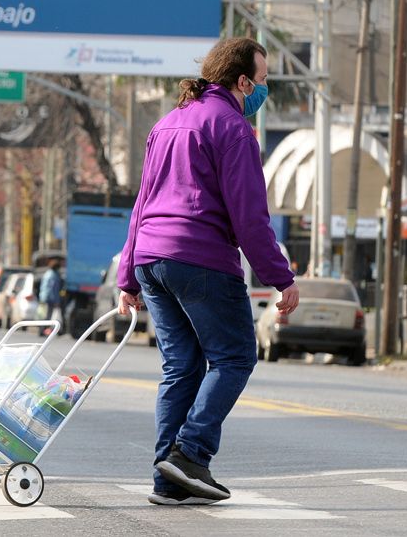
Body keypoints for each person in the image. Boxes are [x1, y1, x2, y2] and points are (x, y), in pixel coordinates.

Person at [116, 37, 300, 506]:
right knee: (236, 356)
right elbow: (250, 217)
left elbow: (142, 204)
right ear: (241, 82)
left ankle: (168, 481)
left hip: (152, 260)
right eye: (260, 81)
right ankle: (190, 453)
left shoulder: (168, 123)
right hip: (200, 259)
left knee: (181, 367)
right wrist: (281, 276)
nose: (262, 90)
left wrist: (128, 277)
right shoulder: (233, 129)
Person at [39, 258, 65, 335]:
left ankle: (42, 330)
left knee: (44, 314)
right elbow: (53, 289)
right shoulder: (54, 276)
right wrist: (56, 301)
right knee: (48, 315)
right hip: (49, 298)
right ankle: (42, 330)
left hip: (43, 297)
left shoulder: (47, 273)